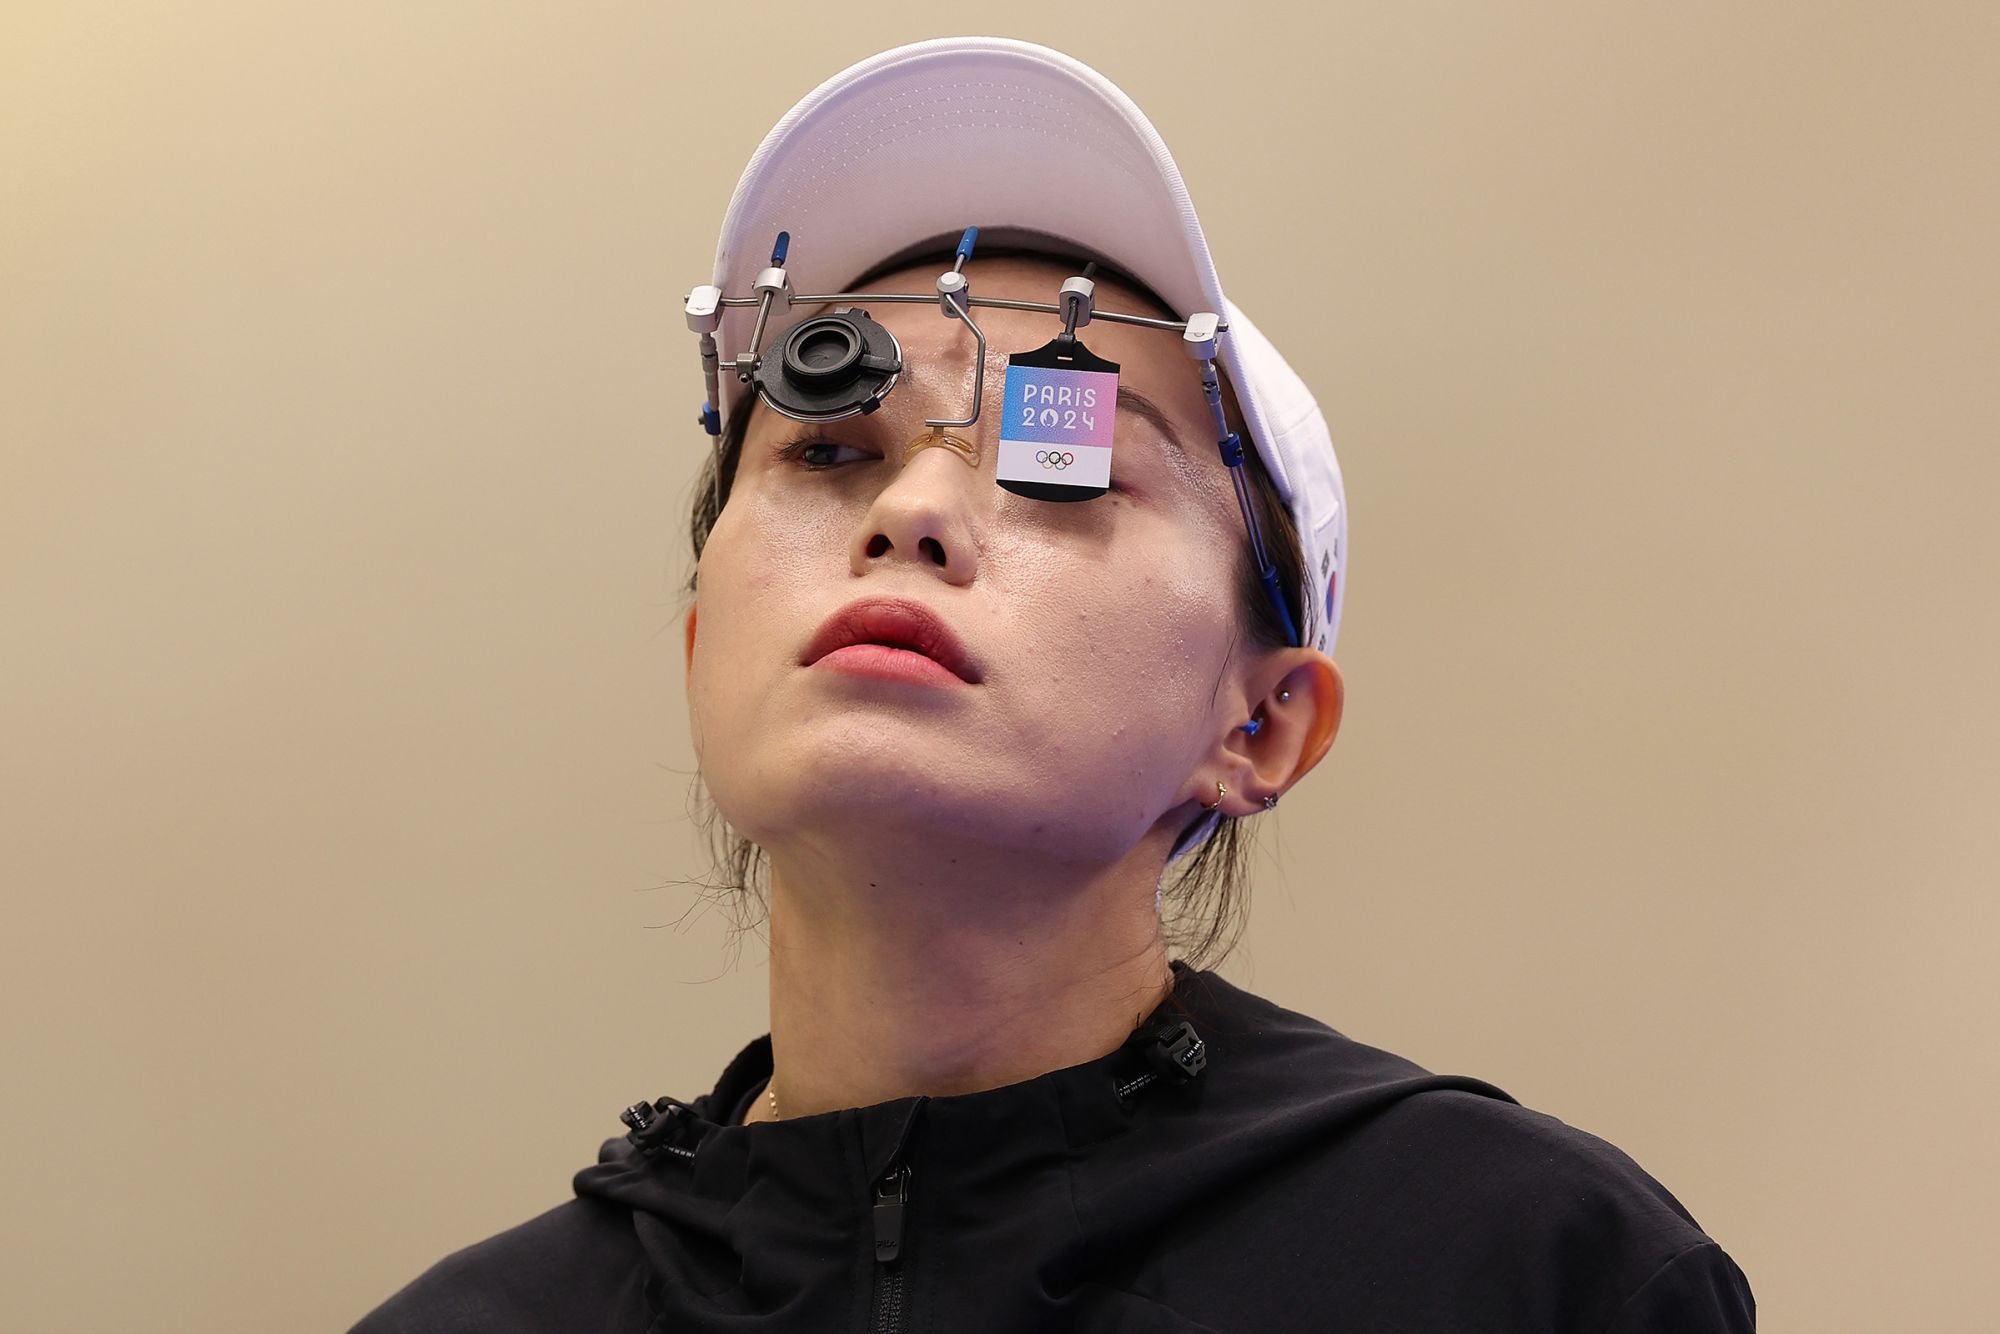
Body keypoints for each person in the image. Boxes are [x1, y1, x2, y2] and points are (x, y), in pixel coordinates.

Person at [349, 36, 1755, 1332]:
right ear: (705, 643)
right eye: (830, 449)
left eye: (1062, 459)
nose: (913, 510)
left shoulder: (1524, 1266)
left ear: (1261, 720)